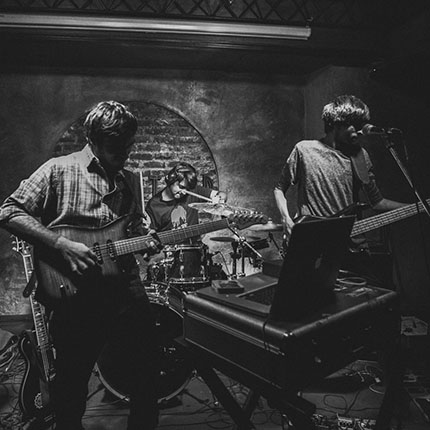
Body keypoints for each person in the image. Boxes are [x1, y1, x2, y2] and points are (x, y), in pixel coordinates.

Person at [0, 101, 161, 430]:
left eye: (129, 145)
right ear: (94, 140)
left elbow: (131, 231)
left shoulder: (130, 180)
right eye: (117, 146)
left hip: (124, 287)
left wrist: (146, 239)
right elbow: (9, 212)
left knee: (147, 375)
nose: (125, 153)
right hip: (74, 292)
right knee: (71, 386)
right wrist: (61, 244)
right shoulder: (58, 169)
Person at [274, 94, 406, 286]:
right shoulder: (304, 150)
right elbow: (279, 189)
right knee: (312, 298)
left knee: (370, 297)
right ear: (336, 123)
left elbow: (377, 202)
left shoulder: (360, 156)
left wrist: (418, 206)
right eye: (355, 124)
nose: (360, 131)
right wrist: (286, 219)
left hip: (351, 248)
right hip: (313, 247)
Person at [146, 162, 226, 239]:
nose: (184, 192)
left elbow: (222, 194)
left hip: (194, 246)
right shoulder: (154, 205)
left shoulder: (192, 191)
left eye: (187, 189)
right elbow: (152, 234)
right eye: (181, 187)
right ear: (171, 179)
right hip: (169, 247)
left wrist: (219, 199)